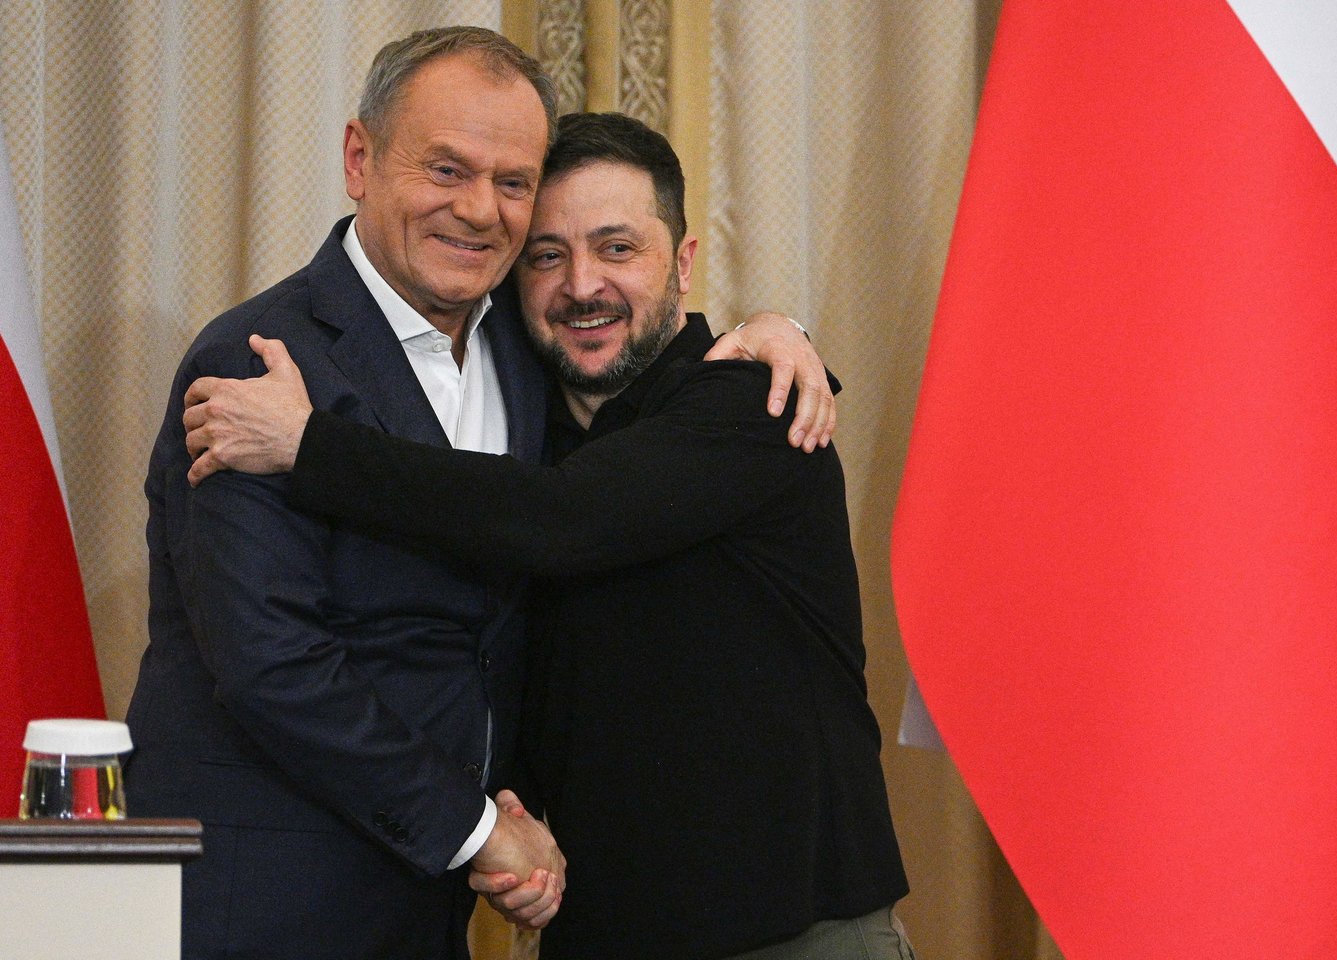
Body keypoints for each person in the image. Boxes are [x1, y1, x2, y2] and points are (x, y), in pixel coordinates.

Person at [126, 27, 831, 960]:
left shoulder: (527, 353)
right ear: (359, 158)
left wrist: (776, 329)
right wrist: (476, 831)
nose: (479, 210)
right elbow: (271, 663)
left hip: (430, 913)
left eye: (511, 182)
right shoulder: (257, 364)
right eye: (447, 169)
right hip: (261, 903)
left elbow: (570, 509)